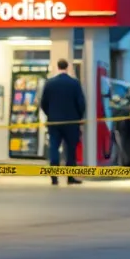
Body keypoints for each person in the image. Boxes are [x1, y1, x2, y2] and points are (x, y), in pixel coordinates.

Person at [39, 58, 86, 186]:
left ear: (57, 67)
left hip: (54, 122)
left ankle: (54, 177)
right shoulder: (74, 83)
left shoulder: (49, 83)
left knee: (54, 147)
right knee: (70, 149)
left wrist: (50, 115)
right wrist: (79, 117)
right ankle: (70, 177)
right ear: (67, 67)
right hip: (71, 122)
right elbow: (81, 103)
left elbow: (43, 103)